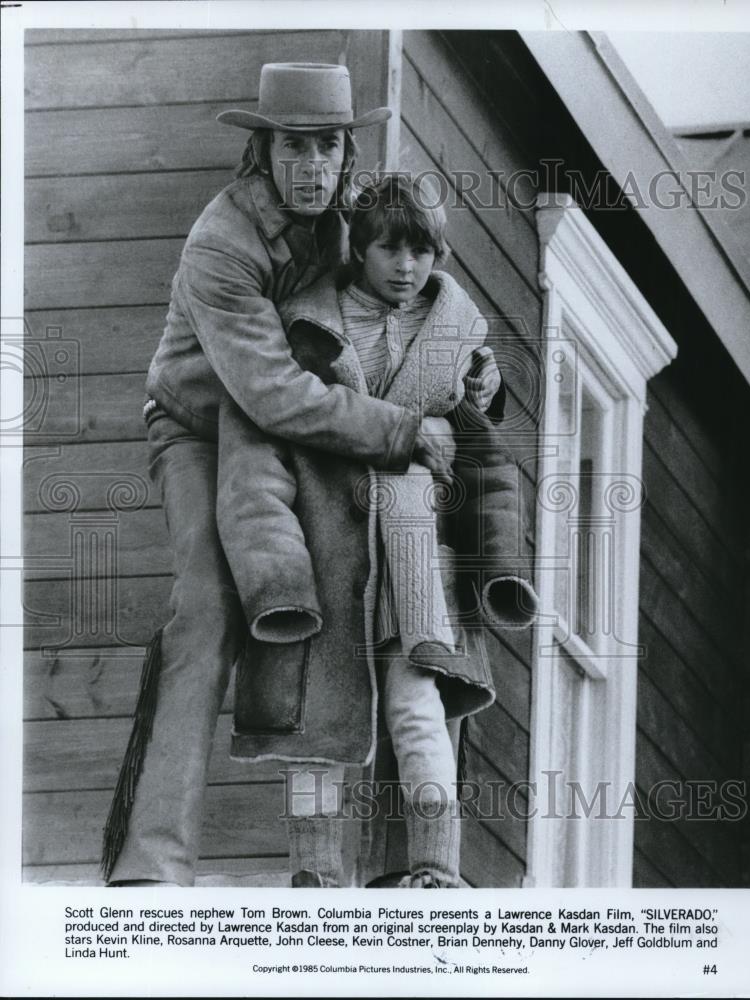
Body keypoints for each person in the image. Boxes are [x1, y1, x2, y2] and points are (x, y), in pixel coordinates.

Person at [102, 64, 461, 887]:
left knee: (385, 607)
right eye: (294, 146)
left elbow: (423, 292)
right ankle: (153, 865)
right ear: (262, 150)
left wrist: (475, 378)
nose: (312, 165)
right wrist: (402, 428)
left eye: (327, 146)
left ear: (346, 152)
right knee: (205, 610)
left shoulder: (351, 217)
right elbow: (268, 393)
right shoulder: (220, 243)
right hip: (203, 425)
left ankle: (398, 866)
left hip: (312, 432)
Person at [217, 174, 538, 888]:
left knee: (418, 701)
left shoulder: (458, 348)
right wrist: (275, 577)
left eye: (422, 250)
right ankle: (315, 874)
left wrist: (499, 564)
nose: (406, 266)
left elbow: (487, 463)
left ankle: (434, 868)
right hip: (323, 549)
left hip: (414, 559)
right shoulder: (299, 333)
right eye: (389, 248)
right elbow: (256, 464)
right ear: (358, 248)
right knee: (316, 727)